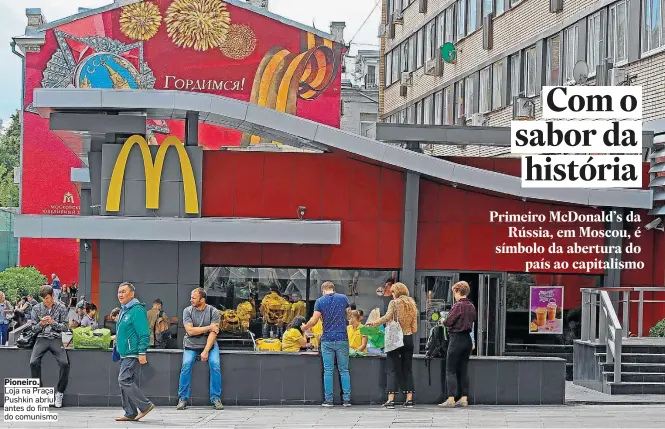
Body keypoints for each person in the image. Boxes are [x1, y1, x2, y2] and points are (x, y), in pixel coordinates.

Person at [366, 282, 418, 409]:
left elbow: (387, 317)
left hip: (395, 339)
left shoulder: (394, 303)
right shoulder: (412, 305)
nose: (392, 295)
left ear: (397, 292)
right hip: (408, 338)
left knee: (392, 368)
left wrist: (374, 323)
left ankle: (390, 400)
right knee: (408, 368)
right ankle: (409, 399)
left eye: (393, 292)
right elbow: (415, 328)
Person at [301, 281, 352, 407]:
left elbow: (314, 320)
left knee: (328, 371)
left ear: (323, 290)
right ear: (333, 289)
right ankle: (346, 400)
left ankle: (329, 400)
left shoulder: (320, 301)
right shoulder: (343, 298)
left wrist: (304, 327)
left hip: (327, 339)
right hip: (342, 338)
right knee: (344, 370)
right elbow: (349, 315)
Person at [177, 287, 223, 411]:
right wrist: (208, 327)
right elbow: (190, 331)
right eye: (191, 297)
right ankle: (182, 398)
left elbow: (213, 334)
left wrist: (206, 351)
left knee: (215, 365)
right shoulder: (187, 311)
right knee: (186, 365)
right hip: (191, 344)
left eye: (194, 298)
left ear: (202, 299)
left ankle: (216, 398)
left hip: (209, 344)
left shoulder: (213, 312)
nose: (191, 300)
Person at [114, 282, 154, 422]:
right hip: (124, 353)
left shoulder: (137, 310)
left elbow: (144, 333)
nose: (120, 294)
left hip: (133, 352)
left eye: (124, 291)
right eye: (119, 291)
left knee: (123, 379)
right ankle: (130, 413)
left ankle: (145, 406)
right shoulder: (124, 310)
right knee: (124, 381)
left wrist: (142, 352)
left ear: (132, 294)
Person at [29, 285, 70, 408]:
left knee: (64, 363)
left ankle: (60, 392)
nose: (45, 301)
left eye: (47, 298)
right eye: (43, 299)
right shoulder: (36, 308)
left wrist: (53, 323)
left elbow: (65, 327)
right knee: (33, 362)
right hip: (41, 338)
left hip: (55, 338)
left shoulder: (61, 307)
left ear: (53, 296)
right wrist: (41, 324)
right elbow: (33, 328)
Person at [439, 281, 477, 408]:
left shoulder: (458, 306)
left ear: (457, 291)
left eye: (454, 292)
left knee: (450, 369)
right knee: (464, 370)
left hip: (456, 339)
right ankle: (464, 398)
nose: (454, 295)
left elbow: (449, 322)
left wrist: (443, 320)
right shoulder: (471, 306)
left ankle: (451, 399)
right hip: (467, 340)